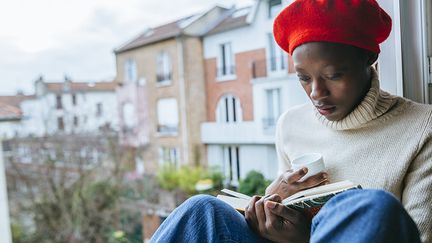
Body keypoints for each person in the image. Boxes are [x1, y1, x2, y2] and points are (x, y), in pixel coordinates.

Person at [150, 0, 432, 242]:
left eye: (334, 75)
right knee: (203, 210)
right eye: (304, 78)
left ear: (369, 58)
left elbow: (417, 236)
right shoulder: (291, 124)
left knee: (372, 207)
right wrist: (270, 205)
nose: (316, 93)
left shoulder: (421, 127)